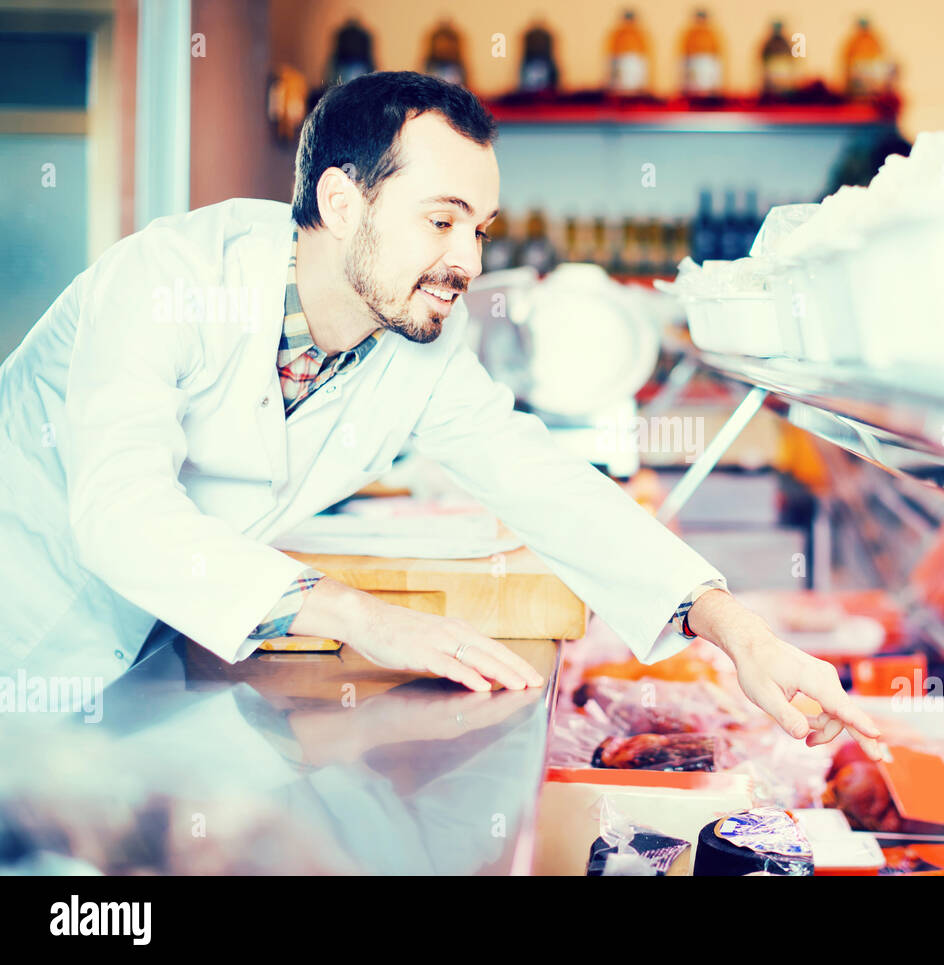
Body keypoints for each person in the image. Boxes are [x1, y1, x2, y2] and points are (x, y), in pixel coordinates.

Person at [0, 71, 876, 749]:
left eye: (481, 228)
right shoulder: (169, 278)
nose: (467, 260)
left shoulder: (415, 346)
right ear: (342, 203)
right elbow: (120, 514)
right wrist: (361, 618)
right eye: (443, 220)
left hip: (137, 664)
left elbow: (548, 486)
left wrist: (736, 629)